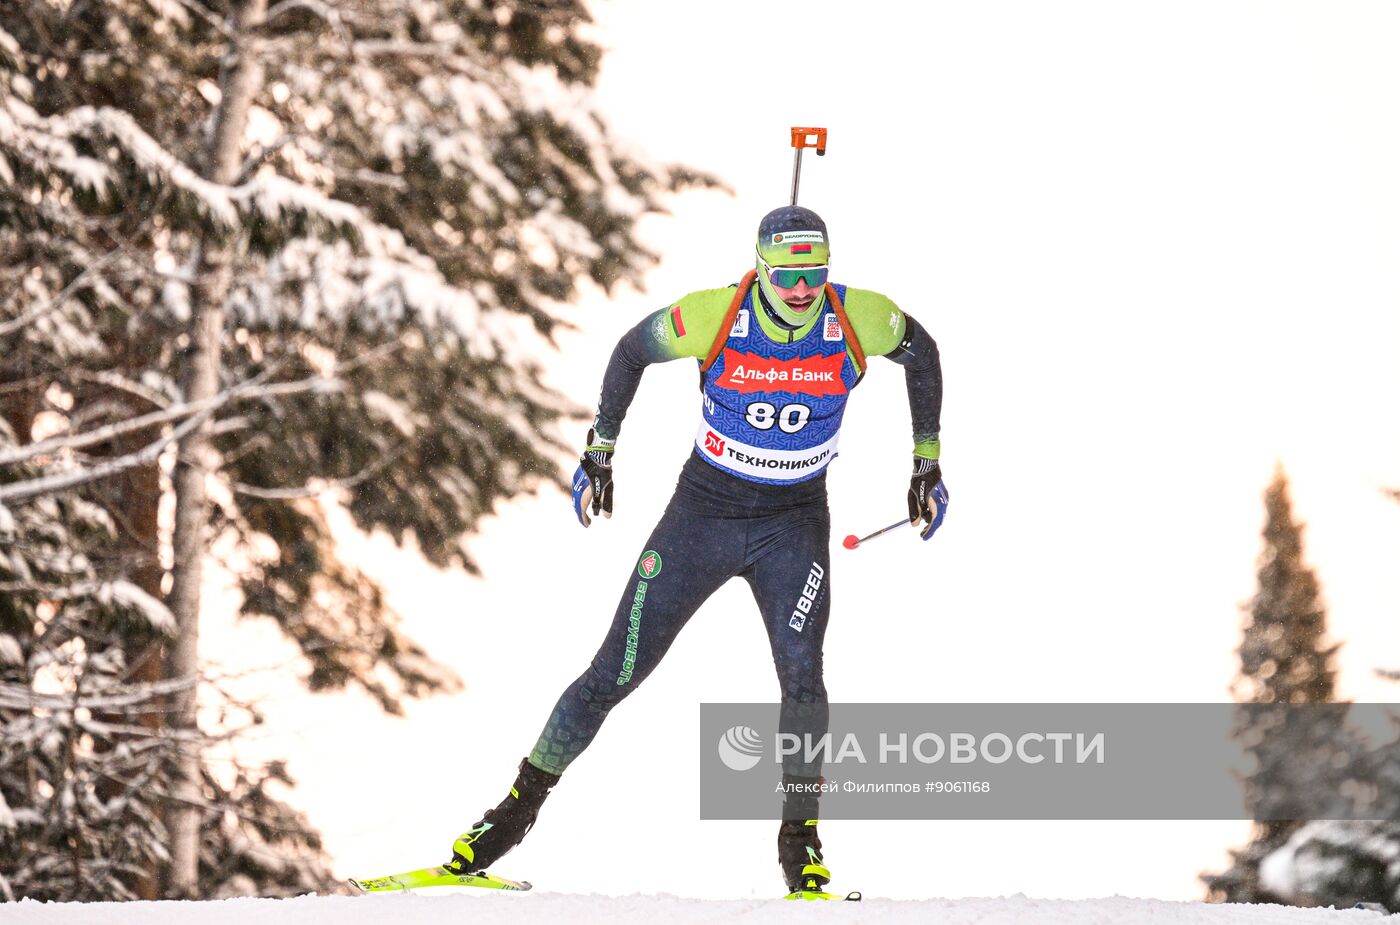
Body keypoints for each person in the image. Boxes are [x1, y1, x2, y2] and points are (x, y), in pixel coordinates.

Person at [445, 205, 947, 897]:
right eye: (787, 276)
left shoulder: (859, 316)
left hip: (794, 524)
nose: (802, 289)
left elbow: (922, 352)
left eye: (814, 273)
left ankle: (800, 845)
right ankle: (509, 817)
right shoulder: (717, 314)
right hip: (703, 516)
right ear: (761, 269)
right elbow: (631, 351)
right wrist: (599, 448)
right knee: (614, 672)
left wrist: (926, 460)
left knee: (803, 679)